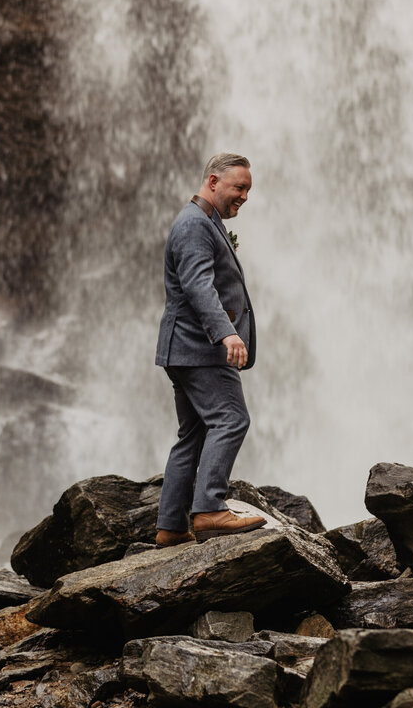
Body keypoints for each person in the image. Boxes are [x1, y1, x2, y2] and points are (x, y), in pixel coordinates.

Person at [153, 153, 267, 546]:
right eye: (240, 187)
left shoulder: (203, 223)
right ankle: (209, 511)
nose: (245, 196)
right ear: (213, 182)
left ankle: (170, 526)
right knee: (231, 419)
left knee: (194, 433)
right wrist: (226, 334)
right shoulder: (194, 225)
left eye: (248, 189)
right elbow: (199, 286)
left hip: (185, 349)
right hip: (200, 349)